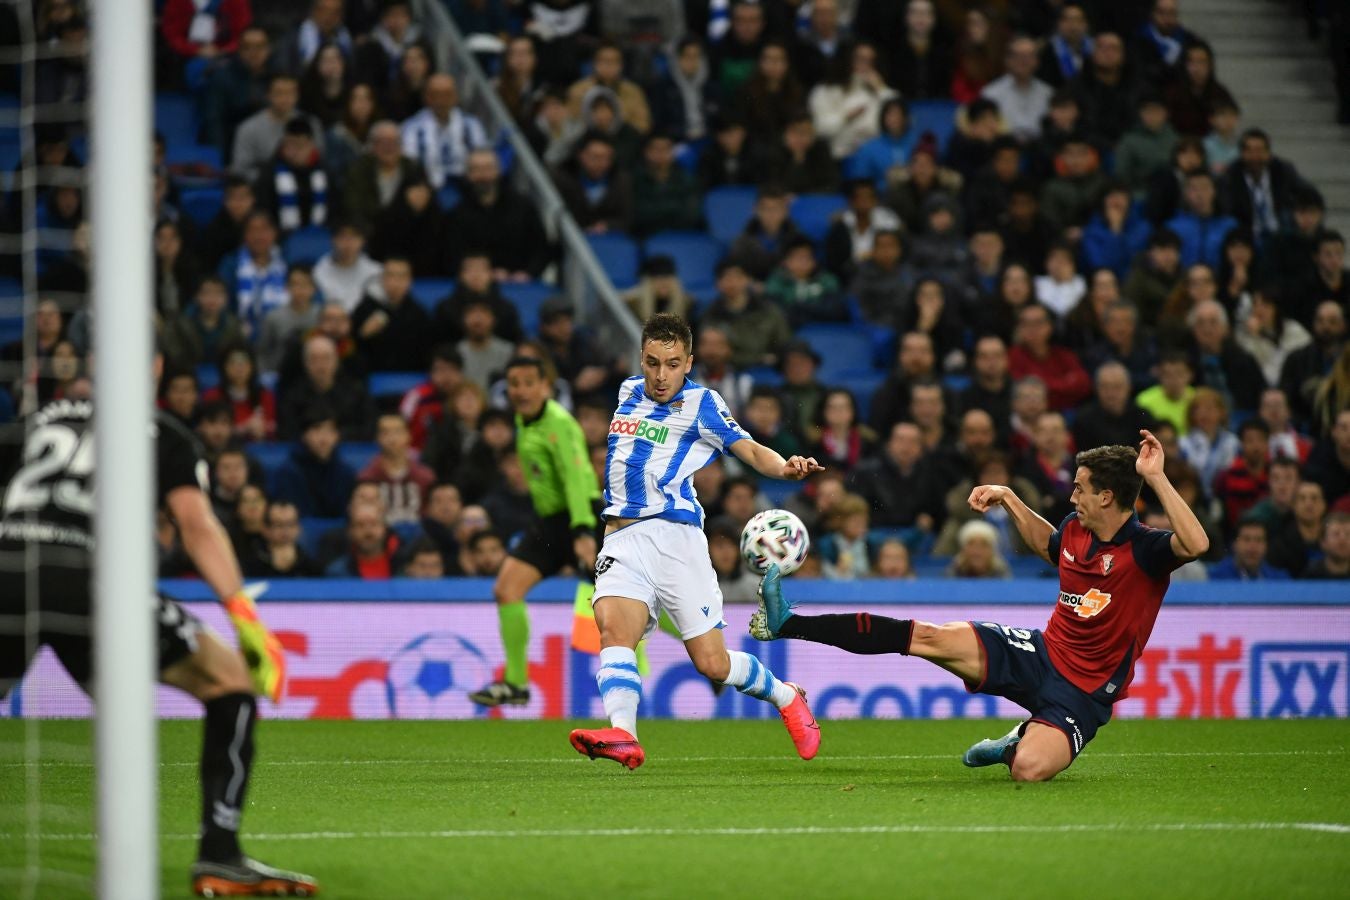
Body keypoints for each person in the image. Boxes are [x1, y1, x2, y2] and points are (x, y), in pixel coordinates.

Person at [0, 379, 316, 894]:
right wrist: (244, 616)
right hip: (87, 580)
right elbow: (195, 523)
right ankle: (220, 856)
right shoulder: (161, 431)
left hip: (10, 567)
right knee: (231, 682)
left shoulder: (36, 422)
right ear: (156, 363)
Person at [752, 429, 1208, 781]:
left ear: (1107, 496)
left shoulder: (1146, 551)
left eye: (1081, 489)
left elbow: (1196, 543)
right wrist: (1008, 498)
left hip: (1082, 695)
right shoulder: (1075, 528)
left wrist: (1156, 478)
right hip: (1039, 653)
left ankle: (1016, 742)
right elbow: (1045, 544)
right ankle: (788, 622)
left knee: (1029, 770)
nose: (1072, 496)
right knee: (926, 636)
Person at [568, 314, 824, 768]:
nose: (660, 375)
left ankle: (787, 697)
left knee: (712, 664)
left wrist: (785, 466)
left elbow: (746, 448)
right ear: (641, 360)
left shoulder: (702, 403)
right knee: (612, 630)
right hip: (620, 539)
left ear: (688, 362)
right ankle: (624, 736)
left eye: (671, 364)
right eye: (652, 363)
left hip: (674, 538)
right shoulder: (627, 392)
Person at [469, 357, 604, 707]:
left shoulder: (559, 424)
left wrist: (584, 532)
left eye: (530, 382)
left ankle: (706, 653)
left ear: (546, 386)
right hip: (549, 523)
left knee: (627, 601)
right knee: (506, 590)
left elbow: (576, 479)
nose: (521, 390)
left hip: (580, 518)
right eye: (514, 383)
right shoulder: (524, 421)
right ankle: (516, 683)